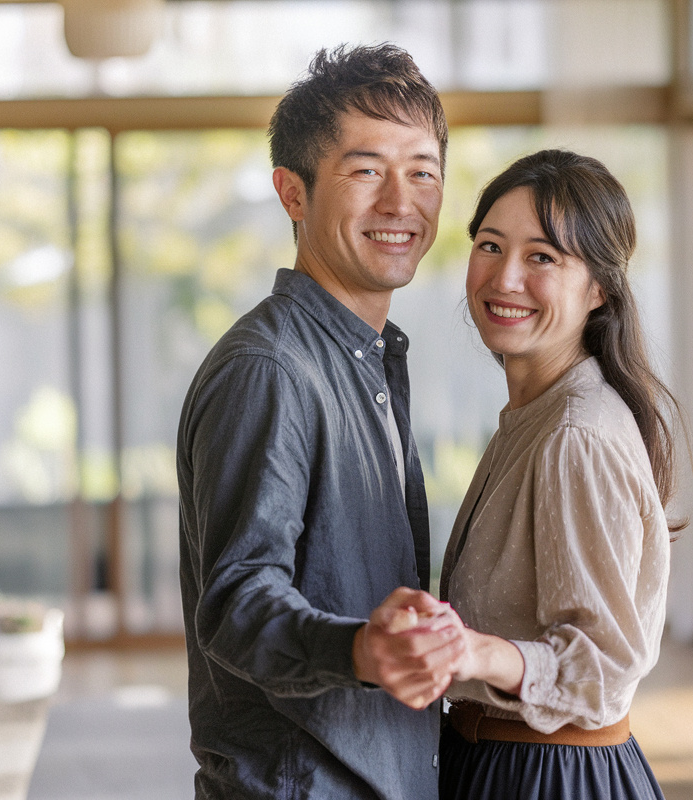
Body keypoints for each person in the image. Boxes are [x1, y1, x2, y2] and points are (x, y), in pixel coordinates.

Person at [176, 43, 463, 799]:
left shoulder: (370, 357)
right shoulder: (269, 370)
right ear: (292, 193)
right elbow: (238, 600)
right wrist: (364, 650)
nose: (402, 203)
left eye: (423, 172)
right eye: (366, 170)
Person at [433, 149, 684, 799]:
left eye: (542, 257)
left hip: (546, 776)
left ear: (599, 287)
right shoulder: (536, 412)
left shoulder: (575, 435)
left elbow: (601, 669)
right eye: (490, 245)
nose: (504, 277)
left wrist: (477, 653)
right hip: (502, 763)